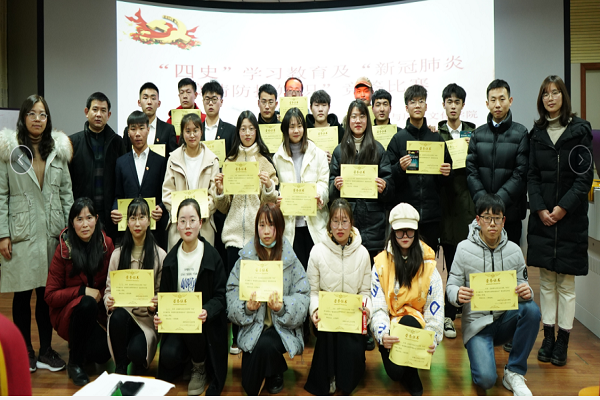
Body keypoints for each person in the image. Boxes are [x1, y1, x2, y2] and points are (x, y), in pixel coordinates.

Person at [0, 94, 73, 373]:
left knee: (46, 295)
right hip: (20, 233)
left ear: (48, 119)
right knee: (21, 295)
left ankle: (45, 350)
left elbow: (66, 194)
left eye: (42, 114)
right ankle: (25, 352)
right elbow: (1, 195)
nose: (37, 119)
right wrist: (2, 234)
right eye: (32, 113)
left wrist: (68, 234)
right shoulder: (10, 151)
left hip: (52, 234)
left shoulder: (57, 151)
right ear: (23, 117)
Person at [527, 75, 593, 367]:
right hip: (543, 219)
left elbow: (584, 177)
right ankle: (548, 337)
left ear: (564, 97)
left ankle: (563, 340)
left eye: (555, 93)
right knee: (546, 282)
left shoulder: (579, 130)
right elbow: (532, 176)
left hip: (570, 219)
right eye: (545, 94)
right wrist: (541, 209)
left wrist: (562, 208)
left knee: (565, 283)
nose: (550, 98)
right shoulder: (537, 133)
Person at [446, 194, 541, 396]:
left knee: (531, 310)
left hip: (504, 319)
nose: (492, 223)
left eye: (497, 218)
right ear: (478, 219)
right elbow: (451, 285)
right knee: (486, 380)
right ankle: (479, 357)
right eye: (487, 218)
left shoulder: (514, 250)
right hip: (477, 326)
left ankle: (514, 371)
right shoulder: (463, 249)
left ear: (503, 221)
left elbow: (523, 283)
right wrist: (457, 294)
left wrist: (528, 291)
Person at [226, 203, 310, 395]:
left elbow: (303, 295)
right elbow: (231, 293)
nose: (266, 231)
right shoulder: (245, 258)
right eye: (261, 225)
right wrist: (246, 308)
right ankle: (275, 369)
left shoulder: (291, 259)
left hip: (282, 327)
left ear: (280, 227)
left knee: (264, 346)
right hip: (253, 326)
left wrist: (282, 307)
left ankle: (273, 370)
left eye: (271, 225)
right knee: (248, 384)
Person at [214, 110, 278, 354]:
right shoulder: (229, 162)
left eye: (251, 128)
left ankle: (252, 333)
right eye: (243, 128)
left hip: (256, 237)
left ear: (256, 131)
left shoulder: (265, 162)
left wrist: (269, 186)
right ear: (237, 132)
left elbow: (270, 204)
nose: (247, 133)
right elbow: (223, 207)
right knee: (235, 290)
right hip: (232, 236)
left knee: (253, 288)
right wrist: (220, 191)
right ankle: (235, 336)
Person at [154, 198, 228, 396]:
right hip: (178, 324)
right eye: (183, 221)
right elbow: (164, 297)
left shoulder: (212, 256)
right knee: (168, 355)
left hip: (204, 325)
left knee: (193, 326)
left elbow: (221, 296)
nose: (188, 226)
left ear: (200, 223)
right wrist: (160, 315)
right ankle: (188, 359)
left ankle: (199, 365)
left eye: (192, 220)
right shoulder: (170, 259)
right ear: (176, 224)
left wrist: (207, 310)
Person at [371, 203, 443, 396]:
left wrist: (433, 338)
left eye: (409, 231)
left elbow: (435, 307)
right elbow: (378, 306)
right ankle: (403, 366)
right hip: (391, 326)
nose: (405, 236)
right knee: (395, 373)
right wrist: (382, 334)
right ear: (392, 232)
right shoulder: (380, 263)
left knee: (410, 320)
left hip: (417, 325)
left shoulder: (429, 264)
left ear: (416, 231)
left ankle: (412, 372)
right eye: (399, 231)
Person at [304, 198, 371, 395]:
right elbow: (312, 292)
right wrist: (315, 311)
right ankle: (330, 377)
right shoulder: (317, 252)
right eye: (335, 221)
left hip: (352, 317)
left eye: (344, 221)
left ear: (351, 224)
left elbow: (365, 292)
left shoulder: (363, 253)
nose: (340, 227)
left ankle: (344, 378)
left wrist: (367, 309)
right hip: (328, 317)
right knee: (330, 332)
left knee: (348, 342)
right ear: (329, 224)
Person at [45, 198, 114, 386]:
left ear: (96, 219)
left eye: (89, 218)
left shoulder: (106, 244)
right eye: (79, 219)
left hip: (97, 315)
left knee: (103, 354)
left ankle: (81, 347)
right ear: (72, 223)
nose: (85, 224)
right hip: (68, 314)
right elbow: (50, 296)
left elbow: (112, 282)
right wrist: (82, 291)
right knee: (87, 302)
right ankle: (74, 364)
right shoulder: (64, 249)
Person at [386, 84, 453, 251]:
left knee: (429, 260)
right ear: (406, 107)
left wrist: (446, 173)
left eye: (421, 101)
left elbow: (447, 180)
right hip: (405, 216)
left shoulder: (436, 139)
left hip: (431, 217)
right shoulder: (397, 140)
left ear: (426, 106)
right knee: (404, 261)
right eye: (413, 102)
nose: (417, 105)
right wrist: (399, 168)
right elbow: (388, 177)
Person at [329, 99, 394, 267]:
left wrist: (385, 187)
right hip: (347, 224)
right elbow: (330, 192)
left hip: (374, 225)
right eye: (354, 116)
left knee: (373, 274)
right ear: (348, 120)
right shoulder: (339, 151)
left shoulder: (378, 149)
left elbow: (390, 186)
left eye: (362, 116)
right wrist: (335, 186)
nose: (358, 121)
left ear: (368, 120)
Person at [105, 198, 166, 375]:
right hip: (123, 316)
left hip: (146, 320)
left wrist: (156, 302)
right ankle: (120, 368)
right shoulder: (117, 255)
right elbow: (108, 290)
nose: (137, 223)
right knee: (117, 317)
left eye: (141, 217)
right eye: (132, 218)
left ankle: (136, 356)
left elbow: (162, 294)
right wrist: (108, 301)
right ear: (127, 222)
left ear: (149, 221)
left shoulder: (160, 255)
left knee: (137, 353)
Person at [466, 79, 529, 246]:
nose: (498, 104)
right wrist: (485, 204)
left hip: (510, 214)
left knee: (509, 260)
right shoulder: (477, 134)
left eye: (502, 99)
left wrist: (497, 203)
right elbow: (471, 171)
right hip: (483, 216)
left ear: (510, 101)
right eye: (493, 100)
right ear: (487, 104)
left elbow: (520, 173)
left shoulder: (521, 133)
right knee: (482, 259)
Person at [437, 83, 476, 339]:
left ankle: (473, 315)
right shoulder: (435, 134)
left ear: (463, 105)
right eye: (449, 102)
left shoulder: (474, 134)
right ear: (443, 105)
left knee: (469, 262)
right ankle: (448, 315)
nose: (453, 106)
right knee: (449, 261)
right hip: (444, 207)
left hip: (467, 206)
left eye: (457, 102)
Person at [273, 107, 329, 268]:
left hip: (315, 224)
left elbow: (324, 184)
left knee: (316, 272)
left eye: (299, 126)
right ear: (285, 129)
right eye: (292, 127)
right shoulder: (277, 158)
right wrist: (277, 199)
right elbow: (275, 189)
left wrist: (320, 195)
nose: (296, 130)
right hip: (290, 227)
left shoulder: (318, 154)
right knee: (294, 273)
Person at [69, 92, 126, 242]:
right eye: (95, 109)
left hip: (110, 216)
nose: (99, 114)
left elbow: (123, 180)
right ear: (86, 112)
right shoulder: (73, 143)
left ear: (109, 115)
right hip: (82, 217)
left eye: (103, 110)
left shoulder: (118, 143)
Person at [112, 111, 168, 250]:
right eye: (133, 129)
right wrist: (115, 209)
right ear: (128, 132)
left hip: (154, 229)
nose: (137, 133)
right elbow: (118, 195)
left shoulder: (160, 161)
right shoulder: (121, 162)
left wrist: (161, 207)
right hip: (129, 230)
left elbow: (165, 194)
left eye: (141, 128)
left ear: (148, 130)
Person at [163, 113, 219, 250]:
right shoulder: (173, 159)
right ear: (182, 134)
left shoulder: (212, 160)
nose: (192, 135)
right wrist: (183, 216)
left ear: (201, 132)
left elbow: (214, 195)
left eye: (195, 130)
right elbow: (167, 193)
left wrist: (198, 215)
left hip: (204, 224)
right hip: (179, 225)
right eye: (188, 131)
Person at [123, 82, 178, 156]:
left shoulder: (168, 129)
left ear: (159, 103)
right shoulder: (129, 130)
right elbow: (125, 156)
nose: (149, 102)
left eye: (153, 98)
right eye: (145, 98)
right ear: (139, 102)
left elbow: (173, 157)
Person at [200, 80, 236, 155]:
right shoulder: (197, 130)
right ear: (203, 101)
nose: (210, 103)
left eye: (214, 99)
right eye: (207, 99)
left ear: (221, 102)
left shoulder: (231, 130)